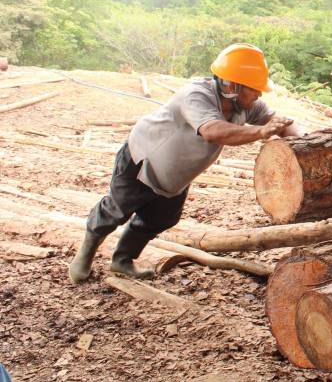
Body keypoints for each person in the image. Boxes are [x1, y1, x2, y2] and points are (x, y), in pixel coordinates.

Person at [69, 43, 303, 283]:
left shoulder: (245, 104)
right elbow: (213, 131)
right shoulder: (196, 95)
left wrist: (307, 144)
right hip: (143, 161)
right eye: (254, 89)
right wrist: (261, 132)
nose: (259, 95)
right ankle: (85, 255)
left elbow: (279, 120)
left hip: (176, 174)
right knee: (116, 211)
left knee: (161, 218)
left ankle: (122, 260)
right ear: (232, 86)